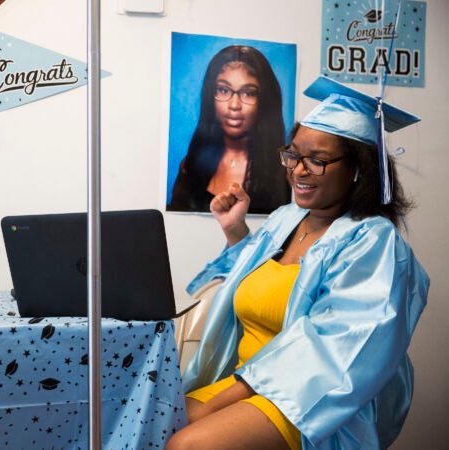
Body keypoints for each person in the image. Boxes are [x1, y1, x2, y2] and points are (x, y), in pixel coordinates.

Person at [166, 76, 429, 450]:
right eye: (293, 155)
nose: (298, 171)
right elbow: (257, 280)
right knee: (152, 422)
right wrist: (236, 229)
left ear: (358, 169)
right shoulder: (286, 218)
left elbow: (333, 352)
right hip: (248, 384)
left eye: (317, 161)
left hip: (310, 401)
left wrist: (220, 401)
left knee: (188, 444)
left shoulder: (372, 242)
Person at [167, 45, 290, 214]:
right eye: (223, 90)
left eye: (248, 93)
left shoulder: (285, 173)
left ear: (264, 100)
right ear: (211, 96)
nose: (234, 105)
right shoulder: (190, 165)